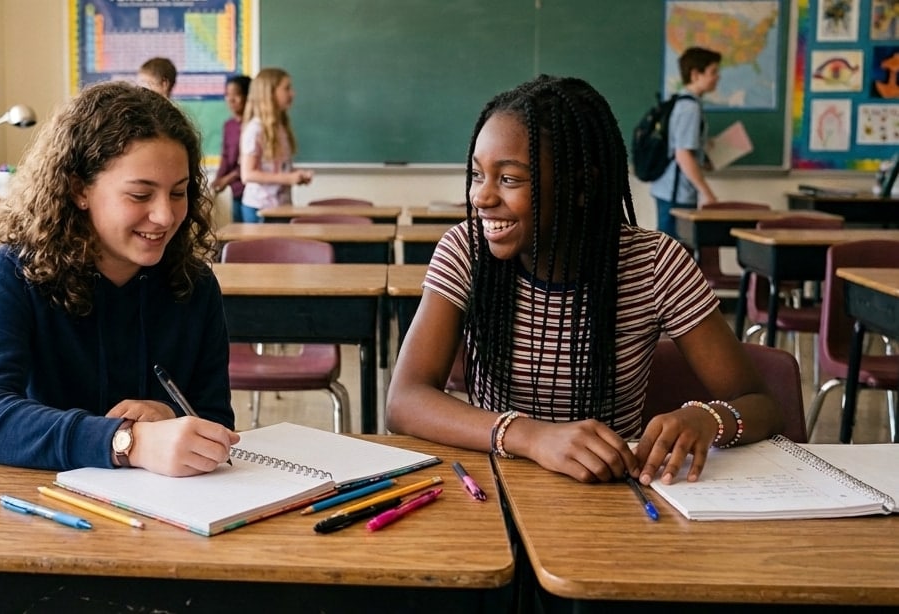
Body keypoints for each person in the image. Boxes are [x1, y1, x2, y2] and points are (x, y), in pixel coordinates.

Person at [386, 75, 783, 488]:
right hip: (497, 484)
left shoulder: (654, 264)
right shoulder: (466, 250)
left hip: (608, 495)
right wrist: (531, 436)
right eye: (477, 174)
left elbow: (762, 405)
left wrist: (709, 418)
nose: (481, 197)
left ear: (581, 186)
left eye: (509, 179)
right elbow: (404, 400)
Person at [0, 81, 239, 476]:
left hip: (165, 513)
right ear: (78, 189)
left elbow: (215, 418)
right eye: (140, 195)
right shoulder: (15, 272)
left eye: (179, 192)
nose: (165, 216)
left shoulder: (195, 283)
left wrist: (170, 414)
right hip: (40, 504)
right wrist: (125, 441)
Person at [650, 46, 722, 240]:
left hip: (672, 191)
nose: (718, 77)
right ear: (696, 74)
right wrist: (709, 195)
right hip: (676, 195)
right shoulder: (689, 108)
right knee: (671, 259)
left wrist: (704, 160)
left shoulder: (683, 102)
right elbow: (682, 155)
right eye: (713, 72)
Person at [239, 67, 313, 223]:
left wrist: (297, 174)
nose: (292, 93)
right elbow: (247, 175)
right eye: (286, 88)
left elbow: (278, 168)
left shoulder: (280, 127)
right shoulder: (255, 130)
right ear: (270, 93)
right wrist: (287, 178)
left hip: (282, 206)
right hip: (260, 208)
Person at [212, 74, 251, 223]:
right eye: (228, 95)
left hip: (251, 190)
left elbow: (252, 162)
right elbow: (226, 156)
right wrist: (218, 179)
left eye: (236, 95)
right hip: (235, 191)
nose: (231, 99)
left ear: (247, 96)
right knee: (238, 233)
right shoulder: (229, 125)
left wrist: (227, 179)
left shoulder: (255, 126)